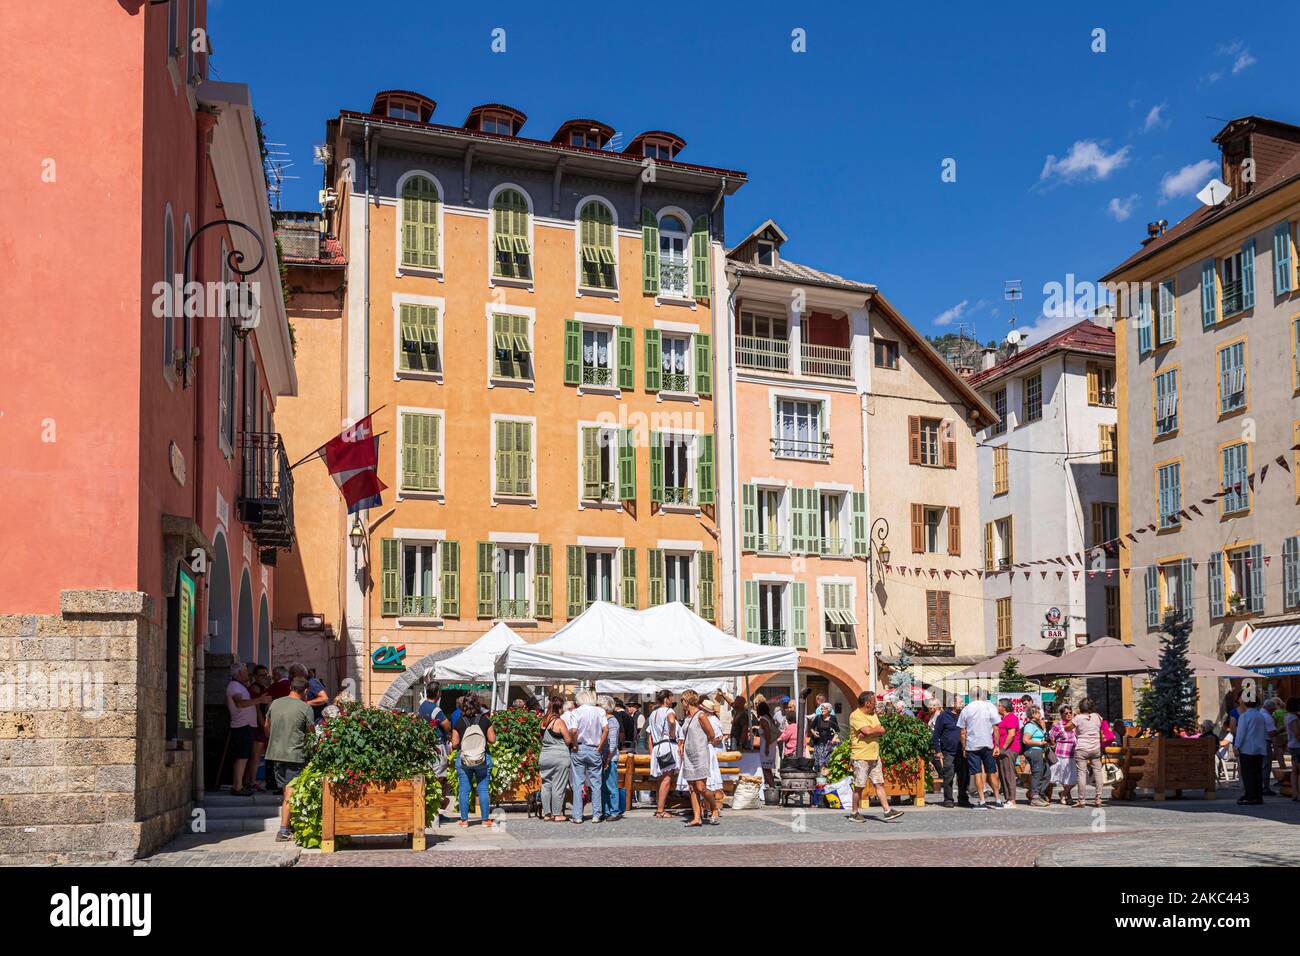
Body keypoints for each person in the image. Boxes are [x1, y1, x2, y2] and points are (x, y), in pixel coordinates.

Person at [267, 675, 316, 842]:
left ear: (290, 687)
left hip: (275, 753)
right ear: (306, 691)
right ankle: (283, 831)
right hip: (295, 754)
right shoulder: (305, 707)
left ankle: (288, 825)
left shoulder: (275, 703)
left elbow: (267, 726)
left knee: (286, 791)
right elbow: (311, 732)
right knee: (290, 792)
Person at [847, 692, 902, 822]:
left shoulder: (873, 715)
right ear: (867, 703)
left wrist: (869, 732)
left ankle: (887, 811)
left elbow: (881, 730)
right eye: (874, 702)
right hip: (861, 756)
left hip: (874, 755)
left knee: (879, 783)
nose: (876, 704)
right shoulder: (855, 715)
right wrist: (870, 731)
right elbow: (868, 731)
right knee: (859, 786)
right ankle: (854, 813)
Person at [450, 693, 497, 827]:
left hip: (464, 759)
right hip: (482, 758)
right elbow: (493, 740)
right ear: (478, 705)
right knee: (483, 789)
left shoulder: (459, 722)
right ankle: (485, 820)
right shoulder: (485, 720)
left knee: (464, 789)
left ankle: (464, 821)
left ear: (463, 706)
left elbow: (454, 744)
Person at [565, 689, 608, 824]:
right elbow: (606, 729)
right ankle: (596, 814)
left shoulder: (576, 712)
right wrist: (600, 746)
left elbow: (573, 730)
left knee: (578, 783)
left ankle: (577, 815)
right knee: (596, 783)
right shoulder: (599, 711)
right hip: (595, 748)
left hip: (580, 748)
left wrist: (575, 744)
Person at [226, 663, 268, 796]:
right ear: (238, 673)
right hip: (241, 726)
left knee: (244, 756)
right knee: (242, 756)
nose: (247, 673)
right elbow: (240, 703)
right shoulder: (234, 686)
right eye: (244, 671)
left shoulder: (239, 686)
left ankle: (239, 784)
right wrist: (259, 700)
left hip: (246, 726)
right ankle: (237, 786)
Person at [678, 690, 719, 827]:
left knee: (701, 787)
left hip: (700, 754)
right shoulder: (688, 717)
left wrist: (701, 743)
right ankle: (697, 817)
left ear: (686, 701)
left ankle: (714, 808)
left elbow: (711, 734)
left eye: (682, 701)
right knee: (691, 787)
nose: (681, 704)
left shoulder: (700, 715)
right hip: (688, 755)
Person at [957, 689, 1003, 810]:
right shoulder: (990, 706)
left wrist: (964, 747)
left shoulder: (966, 709)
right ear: (982, 695)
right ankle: (998, 800)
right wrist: (997, 745)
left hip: (973, 745)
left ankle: (982, 801)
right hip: (987, 743)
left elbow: (962, 732)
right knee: (991, 771)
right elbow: (996, 728)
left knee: (977, 773)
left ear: (970, 696)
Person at [538, 696, 573, 823]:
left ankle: (547, 814)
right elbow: (568, 740)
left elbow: (541, 739)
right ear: (559, 708)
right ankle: (557, 814)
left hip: (545, 756)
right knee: (558, 785)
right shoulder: (559, 721)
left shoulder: (543, 721)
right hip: (559, 756)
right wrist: (571, 734)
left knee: (546, 785)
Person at [1234, 696, 1274, 805]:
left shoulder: (1244, 716)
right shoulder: (1260, 715)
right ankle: (1257, 795)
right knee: (1257, 773)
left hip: (1247, 748)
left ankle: (1250, 795)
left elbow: (1241, 733)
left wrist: (1236, 746)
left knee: (1247, 773)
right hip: (1259, 748)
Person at [931, 699, 969, 808]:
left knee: (963, 777)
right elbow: (936, 735)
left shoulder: (964, 715)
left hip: (963, 751)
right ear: (952, 704)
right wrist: (938, 750)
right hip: (948, 752)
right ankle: (948, 799)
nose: (962, 704)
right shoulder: (943, 716)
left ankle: (963, 799)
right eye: (960, 702)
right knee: (948, 776)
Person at [648, 689, 679, 817]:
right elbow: (672, 721)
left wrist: (651, 752)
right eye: (671, 698)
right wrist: (672, 732)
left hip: (657, 747)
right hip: (667, 745)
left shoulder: (652, 714)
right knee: (667, 778)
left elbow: (649, 734)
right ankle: (660, 810)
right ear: (666, 699)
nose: (672, 701)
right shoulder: (669, 711)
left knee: (661, 779)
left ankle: (659, 806)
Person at [1072, 697, 1106, 808]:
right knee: (1098, 772)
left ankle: (1081, 800)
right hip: (1096, 747)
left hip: (1082, 748)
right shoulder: (1098, 717)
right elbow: (1101, 733)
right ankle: (1098, 799)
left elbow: (1068, 727)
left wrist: (1074, 716)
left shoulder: (1078, 718)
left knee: (1081, 773)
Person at [699, 697, 726, 819]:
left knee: (712, 780)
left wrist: (706, 742)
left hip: (713, 752)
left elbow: (718, 738)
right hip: (710, 751)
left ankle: (714, 806)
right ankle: (708, 806)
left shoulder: (713, 721)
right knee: (710, 781)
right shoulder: (710, 719)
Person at [599, 695, 623, 821]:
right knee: (603, 786)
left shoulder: (612, 721)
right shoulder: (603, 720)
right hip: (603, 757)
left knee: (611, 785)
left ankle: (614, 811)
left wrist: (607, 760)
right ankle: (606, 810)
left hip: (610, 758)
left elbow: (612, 744)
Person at [1047, 706, 1079, 805]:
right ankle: (1066, 796)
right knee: (1065, 778)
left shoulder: (1075, 725)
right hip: (1062, 754)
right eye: (1066, 713)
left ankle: (1063, 793)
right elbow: (1050, 736)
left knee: (1074, 779)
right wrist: (1053, 744)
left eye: (1070, 712)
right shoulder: (1058, 725)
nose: (1069, 714)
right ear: (1062, 715)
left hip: (1073, 754)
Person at [993, 698, 1021, 807]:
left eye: (998, 706)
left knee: (1008, 774)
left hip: (1009, 749)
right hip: (1003, 750)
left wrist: (1003, 748)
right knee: (1003, 774)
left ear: (1003, 707)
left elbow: (1012, 734)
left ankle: (1012, 799)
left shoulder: (1011, 717)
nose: (997, 708)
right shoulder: (1002, 718)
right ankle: (1008, 798)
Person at [1021, 705, 1050, 807]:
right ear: (1033, 714)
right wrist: (1040, 744)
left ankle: (1038, 793)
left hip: (1040, 751)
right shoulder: (1030, 725)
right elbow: (1025, 740)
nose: (1040, 714)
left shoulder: (1037, 724)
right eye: (1038, 712)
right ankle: (1034, 797)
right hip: (1034, 751)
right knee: (1037, 774)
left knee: (1047, 774)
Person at [808, 700, 840, 772]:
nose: (822, 710)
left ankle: (826, 778)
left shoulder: (833, 718)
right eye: (821, 708)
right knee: (819, 762)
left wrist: (834, 739)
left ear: (828, 710)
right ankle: (819, 778)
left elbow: (837, 731)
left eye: (823, 708)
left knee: (827, 762)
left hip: (829, 743)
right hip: (819, 743)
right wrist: (814, 733)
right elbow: (811, 727)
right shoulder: (818, 717)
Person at [417, 681, 451, 747]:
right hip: (437, 744)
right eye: (440, 692)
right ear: (437, 693)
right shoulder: (436, 710)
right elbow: (447, 727)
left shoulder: (422, 706)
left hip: (426, 743)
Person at [754, 701, 777, 786]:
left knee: (765, 769)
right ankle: (772, 787)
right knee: (768, 769)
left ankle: (772, 788)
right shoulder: (769, 718)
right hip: (771, 745)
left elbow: (767, 734)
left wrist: (766, 747)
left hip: (767, 746)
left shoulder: (763, 719)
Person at [1284, 697, 1300, 803]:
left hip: (1292, 745)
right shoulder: (1294, 718)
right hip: (1298, 745)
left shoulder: (1287, 717)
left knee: (1294, 771)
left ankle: (1294, 792)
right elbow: (1297, 733)